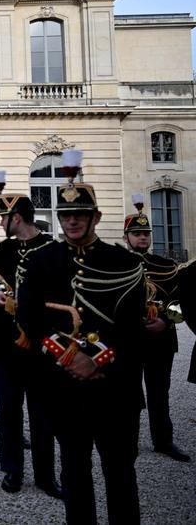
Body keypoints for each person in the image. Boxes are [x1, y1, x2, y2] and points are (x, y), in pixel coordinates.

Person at [17, 150, 146, 525]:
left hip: (115, 388)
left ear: (96, 218)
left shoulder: (124, 263)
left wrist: (98, 360)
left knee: (121, 474)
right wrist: (71, 358)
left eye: (80, 215)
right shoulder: (42, 261)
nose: (72, 221)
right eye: (66, 215)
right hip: (63, 387)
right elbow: (29, 317)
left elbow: (133, 329)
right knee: (74, 473)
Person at [0, 186, 61, 497]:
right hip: (5, 346)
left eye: (4, 217)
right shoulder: (2, 252)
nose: (1, 223)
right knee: (9, 410)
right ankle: (12, 470)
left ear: (16, 217)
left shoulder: (53, 251)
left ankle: (45, 475)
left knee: (43, 413)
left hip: (40, 346)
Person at [122, 198, 190, 462]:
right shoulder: (118, 266)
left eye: (146, 234)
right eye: (137, 234)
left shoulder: (166, 267)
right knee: (128, 393)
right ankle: (128, 441)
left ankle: (163, 440)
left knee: (160, 392)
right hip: (129, 340)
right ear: (126, 237)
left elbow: (182, 303)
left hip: (161, 339)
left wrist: (167, 321)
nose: (142, 238)